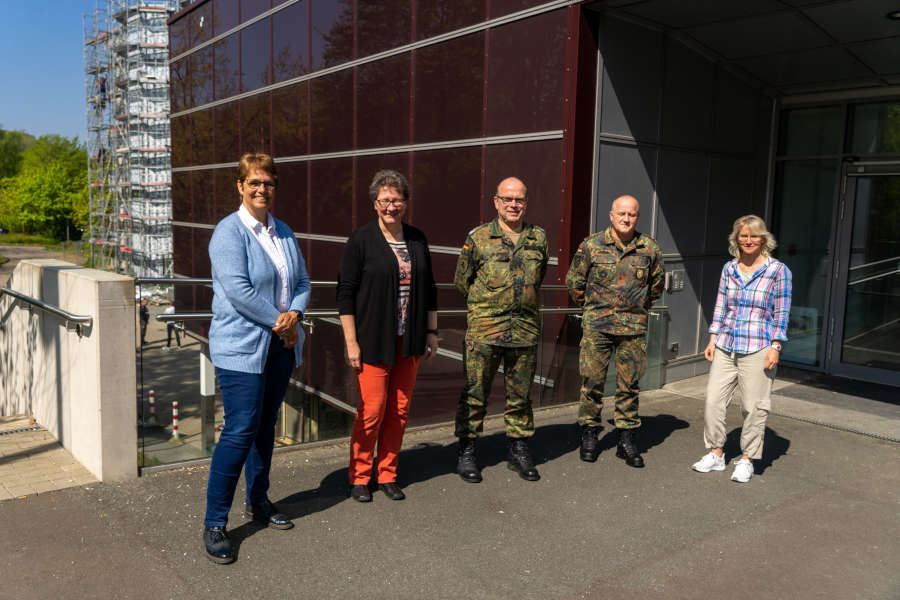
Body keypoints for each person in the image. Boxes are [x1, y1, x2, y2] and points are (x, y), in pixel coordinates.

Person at [202, 153, 311, 564]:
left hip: (281, 346)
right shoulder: (228, 233)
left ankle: (258, 502)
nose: (261, 189)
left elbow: (300, 280)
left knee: (265, 427)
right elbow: (238, 290)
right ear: (240, 186)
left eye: (268, 183)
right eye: (254, 182)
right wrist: (280, 322)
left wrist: (294, 316)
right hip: (241, 348)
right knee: (240, 430)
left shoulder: (282, 231)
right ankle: (215, 523)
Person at [337, 170, 438, 503]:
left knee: (399, 410)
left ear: (405, 203)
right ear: (375, 203)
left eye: (396, 199)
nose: (390, 205)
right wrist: (351, 342)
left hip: (408, 340)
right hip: (373, 340)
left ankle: (388, 473)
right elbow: (345, 294)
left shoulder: (418, 238)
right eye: (384, 200)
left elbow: (430, 289)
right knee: (372, 410)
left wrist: (432, 331)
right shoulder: (360, 240)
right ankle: (360, 476)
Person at [453, 177, 549, 483]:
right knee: (475, 393)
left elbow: (539, 277)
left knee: (520, 396)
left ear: (526, 203)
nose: (513, 205)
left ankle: (518, 449)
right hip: (485, 329)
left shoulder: (538, 238)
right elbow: (462, 281)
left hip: (524, 330)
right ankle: (467, 451)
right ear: (496, 202)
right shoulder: (479, 238)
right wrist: (489, 306)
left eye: (519, 200)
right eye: (507, 199)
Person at [691, 215, 791, 483]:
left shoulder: (778, 271)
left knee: (753, 407)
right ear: (736, 239)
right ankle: (716, 453)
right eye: (743, 236)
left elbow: (781, 313)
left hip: (759, 346)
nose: (748, 240)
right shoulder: (729, 269)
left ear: (763, 239)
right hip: (726, 344)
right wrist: (712, 338)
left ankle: (747, 459)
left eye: (753, 236)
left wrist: (776, 346)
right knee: (713, 401)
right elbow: (721, 306)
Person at [566, 195, 664, 468]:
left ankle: (626, 438)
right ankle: (589, 433)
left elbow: (655, 288)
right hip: (598, 326)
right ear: (611, 215)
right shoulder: (592, 245)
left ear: (637, 217)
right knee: (592, 383)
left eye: (631, 214)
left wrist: (633, 309)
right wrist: (596, 308)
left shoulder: (649, 248)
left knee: (629, 386)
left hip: (631, 329)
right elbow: (574, 283)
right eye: (621, 213)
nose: (626, 218)